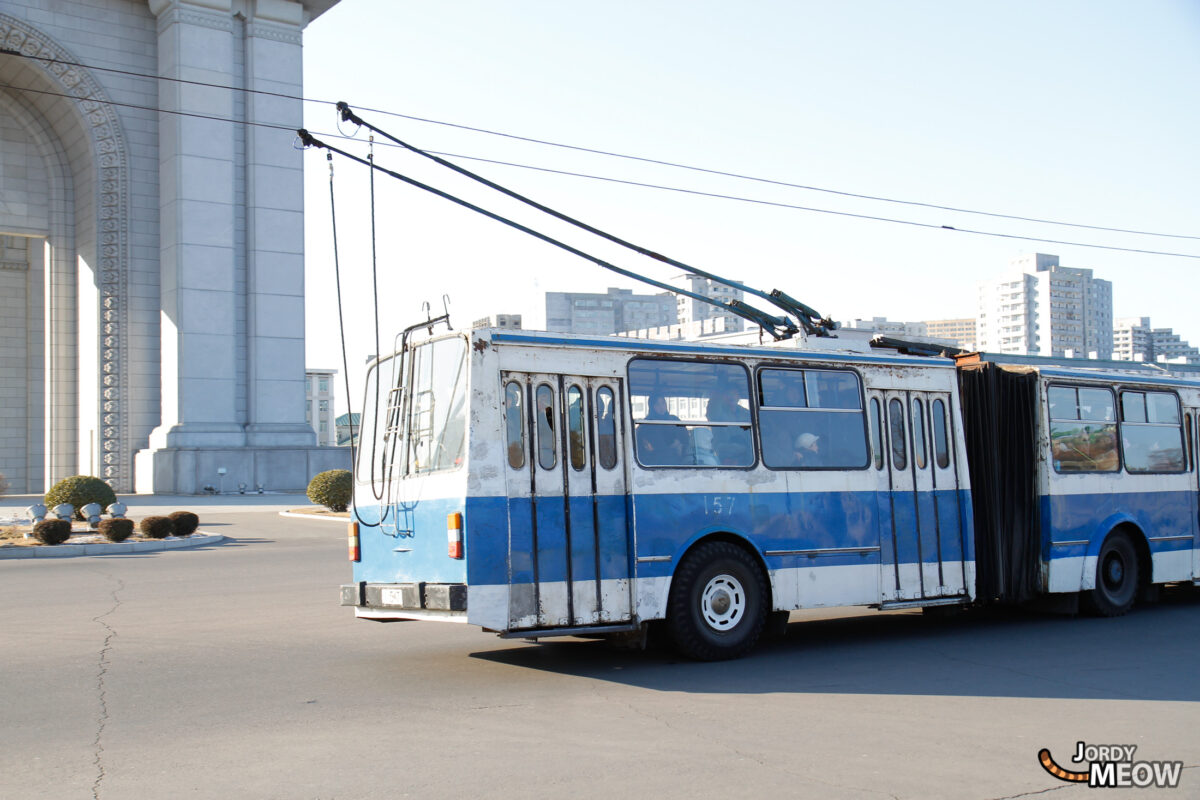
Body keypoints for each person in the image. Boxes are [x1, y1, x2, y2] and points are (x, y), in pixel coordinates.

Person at [637, 394, 688, 465]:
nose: (661, 407)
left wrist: (680, 445)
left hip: (678, 461)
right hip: (655, 463)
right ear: (652, 406)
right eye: (657, 404)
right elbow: (647, 447)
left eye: (663, 403)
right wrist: (671, 447)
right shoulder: (646, 424)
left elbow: (686, 439)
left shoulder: (675, 420)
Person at [707, 384, 751, 465]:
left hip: (747, 451)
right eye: (729, 394)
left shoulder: (745, 412)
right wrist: (718, 392)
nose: (732, 397)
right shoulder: (717, 411)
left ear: (739, 397)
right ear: (723, 396)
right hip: (725, 449)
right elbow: (712, 411)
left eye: (735, 394)